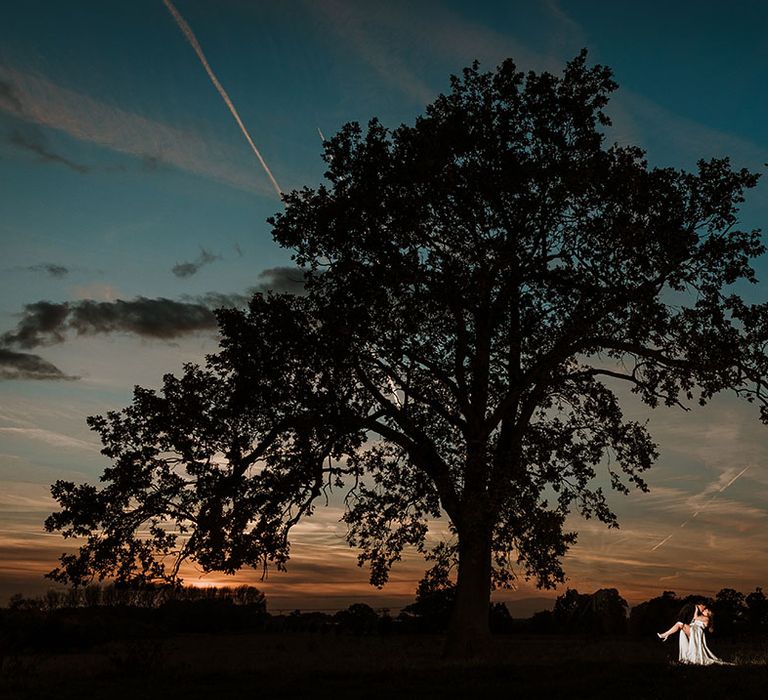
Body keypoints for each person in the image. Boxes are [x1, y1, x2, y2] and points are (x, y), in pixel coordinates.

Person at [657, 600, 729, 665]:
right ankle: (667, 636)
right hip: (693, 629)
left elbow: (695, 617)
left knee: (680, 624)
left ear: (708, 613)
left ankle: (665, 634)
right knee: (682, 629)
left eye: (706, 610)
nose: (704, 610)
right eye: (704, 609)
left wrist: (696, 609)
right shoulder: (702, 616)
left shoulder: (706, 618)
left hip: (696, 631)